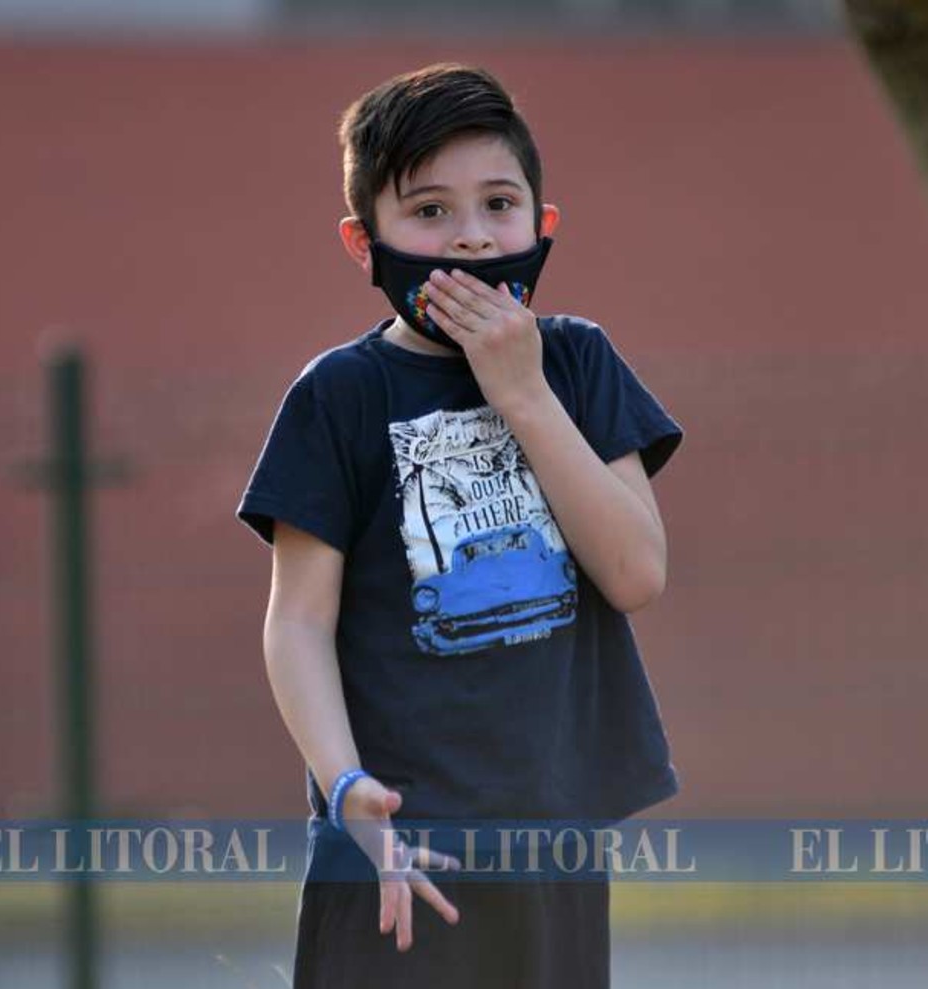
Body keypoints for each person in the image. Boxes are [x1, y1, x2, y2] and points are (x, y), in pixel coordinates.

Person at [237, 62, 683, 988]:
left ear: (541, 225)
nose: (473, 237)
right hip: (396, 844)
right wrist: (345, 785)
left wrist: (519, 390)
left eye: (498, 204)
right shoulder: (339, 396)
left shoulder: (578, 363)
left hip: (549, 839)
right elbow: (298, 619)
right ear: (366, 243)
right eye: (430, 211)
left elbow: (636, 572)